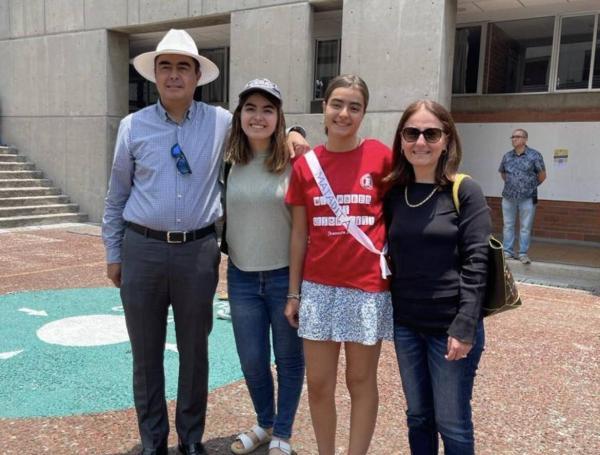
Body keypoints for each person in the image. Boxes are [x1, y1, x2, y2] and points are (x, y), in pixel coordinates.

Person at [102, 29, 308, 455]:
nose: (174, 75)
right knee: (145, 354)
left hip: (197, 251)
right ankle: (153, 441)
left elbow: (264, 124)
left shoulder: (219, 123)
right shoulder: (132, 127)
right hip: (141, 248)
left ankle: (191, 439)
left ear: (197, 75)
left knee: (195, 352)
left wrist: (296, 131)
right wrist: (114, 251)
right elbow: (116, 195)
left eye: (183, 67)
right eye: (166, 66)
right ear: (155, 75)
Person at [284, 74, 393, 455]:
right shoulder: (305, 166)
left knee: (360, 380)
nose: (344, 114)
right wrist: (294, 292)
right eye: (337, 104)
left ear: (364, 112)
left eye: (354, 106)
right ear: (324, 107)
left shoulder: (382, 156)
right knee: (318, 383)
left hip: (366, 288)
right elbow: (299, 235)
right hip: (318, 287)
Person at [384, 100, 491, 455]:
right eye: (412, 132)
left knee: (453, 423)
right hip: (407, 326)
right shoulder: (395, 193)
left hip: (450, 329)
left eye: (431, 133)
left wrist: (464, 326)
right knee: (418, 417)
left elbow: (478, 262)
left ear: (447, 139)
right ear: (401, 139)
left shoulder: (465, 191)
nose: (421, 142)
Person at [224, 79, 304, 455]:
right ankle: (265, 422)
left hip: (283, 276)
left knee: (288, 359)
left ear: (279, 118)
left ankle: (283, 433)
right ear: (240, 115)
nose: (258, 116)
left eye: (268, 109)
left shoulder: (294, 162)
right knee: (252, 359)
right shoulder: (227, 160)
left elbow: (302, 228)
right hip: (240, 276)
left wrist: (295, 289)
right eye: (251, 108)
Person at [498, 129, 546, 264]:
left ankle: (523, 253)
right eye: (512, 136)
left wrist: (529, 186)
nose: (514, 139)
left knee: (525, 226)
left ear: (525, 139)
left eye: (517, 137)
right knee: (508, 225)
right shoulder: (507, 156)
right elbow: (503, 173)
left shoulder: (535, 155)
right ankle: (507, 252)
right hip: (508, 197)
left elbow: (542, 175)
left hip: (528, 197)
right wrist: (513, 185)